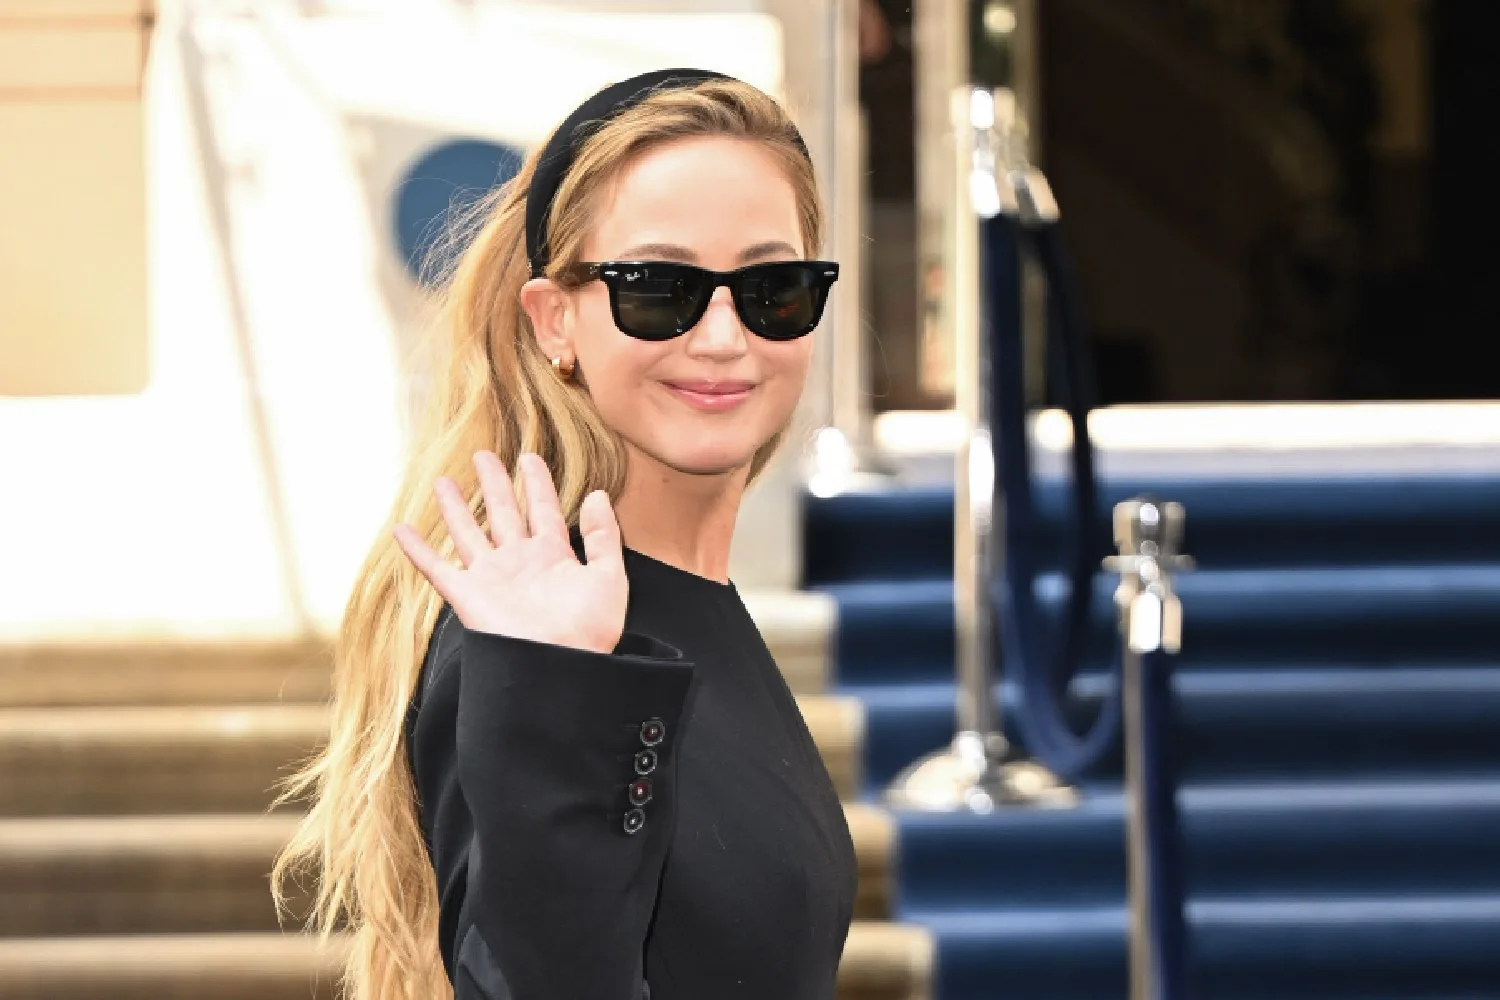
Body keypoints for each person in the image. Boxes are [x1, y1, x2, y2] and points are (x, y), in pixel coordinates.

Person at [270, 68, 859, 1000]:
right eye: (659, 287)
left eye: (771, 286)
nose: (720, 335)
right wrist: (549, 695)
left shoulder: (687, 600)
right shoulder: (528, 638)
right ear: (556, 321)